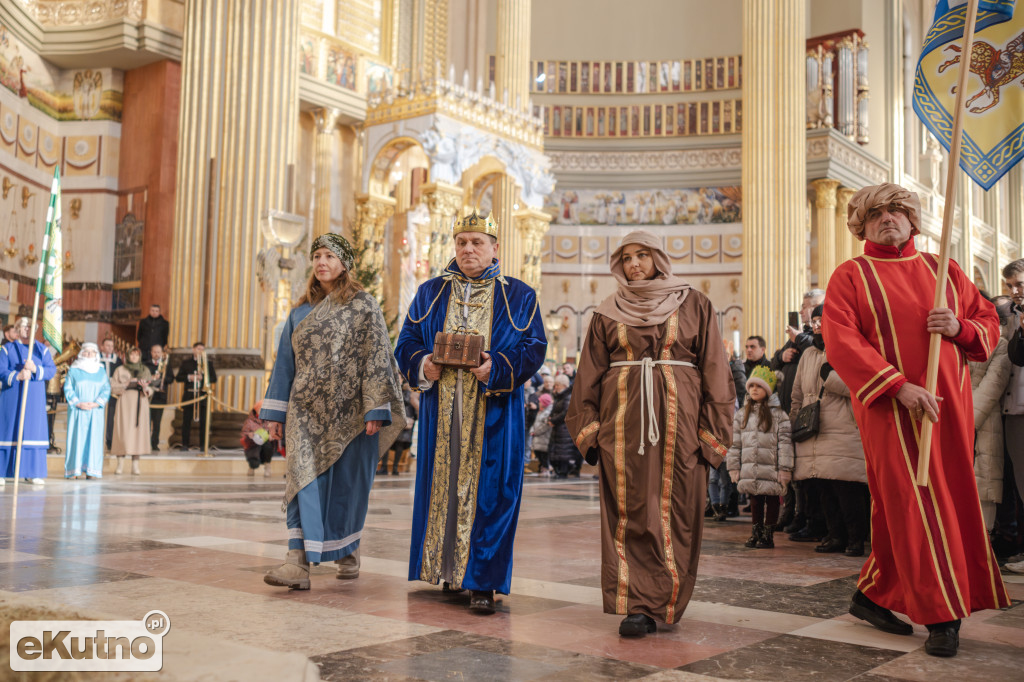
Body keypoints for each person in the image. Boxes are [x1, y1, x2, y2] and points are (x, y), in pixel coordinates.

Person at [823, 182, 1010, 657]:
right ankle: (940, 614)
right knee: (916, 501)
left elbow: (988, 322)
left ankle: (871, 595)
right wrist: (897, 386)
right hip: (890, 410)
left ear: (912, 220)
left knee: (918, 504)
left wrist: (959, 327)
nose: (888, 218)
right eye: (877, 213)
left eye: (897, 211)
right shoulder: (851, 275)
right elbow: (842, 342)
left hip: (949, 407)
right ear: (861, 225)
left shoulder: (943, 267)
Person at [566, 230, 735, 637]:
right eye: (626, 258)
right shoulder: (607, 311)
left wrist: (713, 438)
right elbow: (588, 375)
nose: (634, 264)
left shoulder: (696, 303)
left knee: (678, 512)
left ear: (658, 257)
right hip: (621, 428)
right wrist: (590, 434)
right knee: (630, 513)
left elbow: (716, 371)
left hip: (684, 429)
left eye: (642, 255)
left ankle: (667, 598)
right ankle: (637, 605)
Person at [395, 210, 546, 614]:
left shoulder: (519, 294)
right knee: (441, 487)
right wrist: (422, 362)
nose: (468, 249)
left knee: (492, 492)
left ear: (495, 248)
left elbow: (534, 347)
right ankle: (447, 569)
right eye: (461, 242)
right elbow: (406, 339)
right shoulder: (430, 292)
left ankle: (483, 581)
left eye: (477, 242)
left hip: (493, 410)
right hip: (441, 408)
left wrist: (497, 366)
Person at [262, 233, 404, 590]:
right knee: (301, 482)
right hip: (304, 413)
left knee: (347, 488)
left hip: (352, 415)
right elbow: (284, 366)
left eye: (329, 256)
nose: (322, 262)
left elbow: (377, 358)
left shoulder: (364, 305)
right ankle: (297, 561)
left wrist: (376, 408)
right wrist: (275, 416)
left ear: (344, 264)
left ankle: (347, 548)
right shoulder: (298, 313)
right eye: (317, 256)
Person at [789, 305, 869, 556]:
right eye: (813, 320)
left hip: (843, 427)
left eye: (821, 320)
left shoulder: (850, 347)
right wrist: (794, 422)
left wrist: (830, 378)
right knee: (823, 487)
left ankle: (855, 540)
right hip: (814, 428)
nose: (816, 325)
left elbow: (859, 388)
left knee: (847, 488)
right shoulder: (809, 353)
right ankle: (834, 536)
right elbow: (798, 393)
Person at [727, 366, 792, 549]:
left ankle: (768, 534)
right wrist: (734, 467)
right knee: (755, 501)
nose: (754, 389)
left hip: (771, 467)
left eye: (759, 386)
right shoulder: (742, 415)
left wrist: (784, 469)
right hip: (750, 467)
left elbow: (785, 444)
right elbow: (735, 444)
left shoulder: (779, 415)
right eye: (752, 385)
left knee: (771, 500)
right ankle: (756, 532)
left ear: (769, 390)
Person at [969, 297, 1011, 530]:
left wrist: (968, 419)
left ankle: (984, 538)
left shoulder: (1001, 344)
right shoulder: (959, 338)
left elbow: (994, 383)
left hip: (982, 420)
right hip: (952, 417)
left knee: (984, 477)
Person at [0, 317, 57, 484]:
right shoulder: (7, 349)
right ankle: (2, 471)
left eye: (30, 327)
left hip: (34, 397)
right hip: (12, 395)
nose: (27, 329)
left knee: (33, 430)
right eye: (24, 326)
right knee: (9, 429)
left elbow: (51, 370)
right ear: (17, 329)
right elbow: (1, 369)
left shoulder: (41, 350)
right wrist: (16, 375)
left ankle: (33, 472)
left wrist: (35, 369)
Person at [63, 342, 111, 479]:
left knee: (93, 440)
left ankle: (91, 470)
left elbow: (106, 389)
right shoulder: (74, 370)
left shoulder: (101, 370)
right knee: (76, 439)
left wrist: (96, 404)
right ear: (81, 353)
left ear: (96, 354)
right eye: (86, 351)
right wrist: (77, 403)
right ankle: (74, 470)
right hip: (78, 410)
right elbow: (68, 388)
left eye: (92, 352)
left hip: (95, 412)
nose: (89, 354)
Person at [110, 347, 153, 476]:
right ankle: (120, 465)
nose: (134, 357)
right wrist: (126, 384)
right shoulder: (120, 369)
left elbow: (150, 388)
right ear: (128, 356)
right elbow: (112, 386)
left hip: (141, 402)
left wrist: (146, 387)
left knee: (138, 433)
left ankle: (135, 465)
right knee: (123, 432)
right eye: (132, 355)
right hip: (125, 402)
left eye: (137, 355)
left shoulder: (145, 370)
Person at [175, 342, 217, 451]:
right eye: (198, 349)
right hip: (189, 394)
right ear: (193, 349)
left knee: (203, 422)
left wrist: (203, 378)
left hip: (202, 395)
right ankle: (185, 444)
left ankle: (203, 445)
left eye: (202, 349)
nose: (200, 351)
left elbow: (214, 378)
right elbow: (178, 377)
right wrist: (190, 377)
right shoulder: (186, 363)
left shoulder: (208, 363)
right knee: (186, 421)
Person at [379, 382, 417, 476]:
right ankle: (384, 467)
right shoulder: (396, 390)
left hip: (407, 419)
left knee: (400, 443)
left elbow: (412, 405)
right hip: (395, 418)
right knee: (387, 442)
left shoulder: (411, 393)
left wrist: (413, 418)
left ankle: (395, 468)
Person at [547, 374, 577, 478]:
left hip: (564, 429)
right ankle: (558, 471)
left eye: (558, 385)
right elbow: (554, 409)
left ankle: (563, 471)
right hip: (558, 428)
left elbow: (566, 412)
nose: (556, 387)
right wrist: (550, 419)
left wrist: (554, 420)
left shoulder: (568, 396)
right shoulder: (559, 396)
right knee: (558, 451)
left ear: (564, 385)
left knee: (564, 451)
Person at [240, 399, 277, 478]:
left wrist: (272, 435)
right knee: (254, 461)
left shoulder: (269, 421)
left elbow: (275, 432)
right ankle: (252, 466)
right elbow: (243, 433)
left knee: (268, 446)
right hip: (253, 446)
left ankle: (267, 465)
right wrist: (249, 435)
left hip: (265, 444)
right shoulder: (249, 421)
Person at [145, 344, 171, 451]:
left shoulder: (166, 365)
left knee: (157, 421)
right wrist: (151, 377)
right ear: (151, 352)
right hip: (147, 396)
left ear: (161, 353)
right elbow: (141, 377)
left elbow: (171, 379)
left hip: (160, 397)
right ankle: (145, 443)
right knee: (146, 421)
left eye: (158, 352)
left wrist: (162, 379)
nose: (156, 354)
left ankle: (154, 443)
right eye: (154, 352)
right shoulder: (145, 364)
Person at [99, 338, 121, 450]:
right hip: (98, 394)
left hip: (112, 394)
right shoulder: (96, 358)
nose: (109, 348)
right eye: (107, 345)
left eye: (111, 346)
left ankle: (110, 440)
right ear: (102, 346)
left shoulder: (118, 360)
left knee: (111, 418)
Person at [530, 392, 554, 475]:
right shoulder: (540, 412)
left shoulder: (547, 413)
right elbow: (535, 422)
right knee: (537, 452)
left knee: (544, 455)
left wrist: (536, 432)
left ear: (544, 403)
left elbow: (545, 426)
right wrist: (532, 430)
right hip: (537, 437)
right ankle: (545, 467)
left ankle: (546, 468)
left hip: (544, 438)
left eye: (540, 402)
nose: (539, 403)